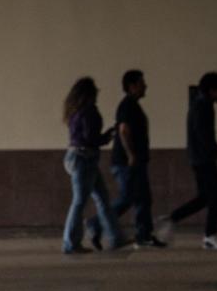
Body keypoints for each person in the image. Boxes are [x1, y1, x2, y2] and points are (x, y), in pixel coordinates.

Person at [88, 70, 164, 249]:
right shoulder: (127, 105)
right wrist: (131, 155)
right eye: (141, 83)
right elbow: (123, 130)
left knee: (143, 198)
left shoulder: (132, 105)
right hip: (126, 163)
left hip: (135, 161)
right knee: (128, 197)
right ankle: (95, 224)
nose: (145, 86)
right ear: (131, 86)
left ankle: (144, 234)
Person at [159, 71, 217, 250]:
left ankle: (173, 218)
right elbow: (203, 134)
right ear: (212, 90)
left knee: (205, 197)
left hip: (199, 158)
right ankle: (210, 235)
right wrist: (213, 149)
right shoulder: (203, 106)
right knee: (216, 197)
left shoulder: (200, 104)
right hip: (203, 159)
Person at [61, 77, 125, 254]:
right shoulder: (89, 111)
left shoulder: (75, 111)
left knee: (101, 198)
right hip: (85, 159)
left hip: (78, 157)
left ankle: (115, 237)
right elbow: (91, 139)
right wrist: (108, 135)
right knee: (81, 201)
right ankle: (70, 243)